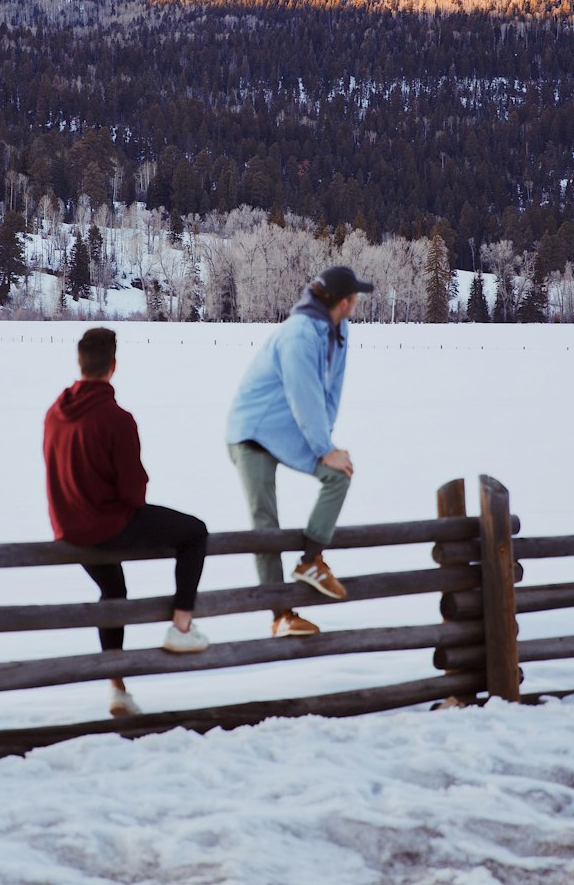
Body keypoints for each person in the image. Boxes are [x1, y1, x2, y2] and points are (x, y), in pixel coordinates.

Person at [43, 326, 209, 719]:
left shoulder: (54, 413)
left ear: (79, 364)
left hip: (69, 528)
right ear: (113, 366)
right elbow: (134, 496)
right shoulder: (117, 419)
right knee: (194, 533)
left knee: (113, 591)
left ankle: (117, 687)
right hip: (107, 525)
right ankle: (182, 627)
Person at [226, 265, 372, 637]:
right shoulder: (299, 335)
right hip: (253, 431)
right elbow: (303, 395)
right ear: (345, 301)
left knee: (338, 474)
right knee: (265, 521)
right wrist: (323, 447)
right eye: (355, 297)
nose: (357, 303)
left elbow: (329, 394)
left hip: (291, 430)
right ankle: (281, 615)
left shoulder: (339, 331)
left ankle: (310, 561)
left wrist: (328, 448)